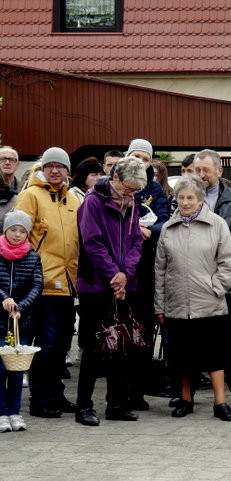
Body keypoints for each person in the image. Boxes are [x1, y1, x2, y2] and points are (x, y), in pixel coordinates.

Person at [154, 175, 231, 421]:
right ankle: (185, 400)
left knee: (215, 356)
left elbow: (229, 263)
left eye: (190, 197)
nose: (185, 202)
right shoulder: (169, 228)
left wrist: (215, 288)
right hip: (177, 305)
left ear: (200, 199)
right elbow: (160, 270)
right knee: (182, 357)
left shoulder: (217, 224)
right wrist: (160, 305)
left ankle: (220, 402)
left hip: (209, 304)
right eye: (181, 197)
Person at [74, 157, 146, 426]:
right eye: (128, 188)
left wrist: (125, 273)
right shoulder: (93, 202)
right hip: (95, 284)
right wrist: (113, 275)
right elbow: (92, 242)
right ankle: (84, 406)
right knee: (94, 347)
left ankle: (116, 404)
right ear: (115, 178)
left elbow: (136, 241)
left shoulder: (132, 203)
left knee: (121, 345)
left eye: (135, 191)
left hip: (124, 283)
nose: (131, 194)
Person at [16, 147, 79, 418]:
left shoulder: (73, 199)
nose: (55, 170)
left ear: (67, 171)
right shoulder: (30, 195)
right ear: (43, 168)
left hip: (69, 281)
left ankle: (56, 393)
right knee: (47, 341)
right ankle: (40, 399)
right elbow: (18, 236)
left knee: (62, 342)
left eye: (60, 166)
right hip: (43, 282)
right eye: (50, 165)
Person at [194, 150, 231, 407]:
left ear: (219, 171)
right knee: (195, 338)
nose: (201, 175)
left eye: (205, 170)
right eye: (197, 170)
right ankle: (189, 391)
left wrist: (217, 244)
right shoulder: (185, 197)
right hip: (195, 280)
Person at [124, 139, 170, 406]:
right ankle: (120, 391)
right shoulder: (116, 185)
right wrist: (133, 229)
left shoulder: (155, 188)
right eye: (136, 156)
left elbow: (164, 220)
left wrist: (149, 230)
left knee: (144, 329)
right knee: (122, 330)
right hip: (121, 268)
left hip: (147, 266)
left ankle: (137, 392)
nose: (140, 162)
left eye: (145, 158)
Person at [0, 211, 43, 432]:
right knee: (0, 368)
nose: (17, 234)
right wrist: (4, 298)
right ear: (5, 230)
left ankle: (15, 412)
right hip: (0, 321)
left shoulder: (33, 257)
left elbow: (37, 285)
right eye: (13, 230)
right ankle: (1, 413)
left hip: (21, 322)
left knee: (17, 369)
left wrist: (21, 307)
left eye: (22, 231)